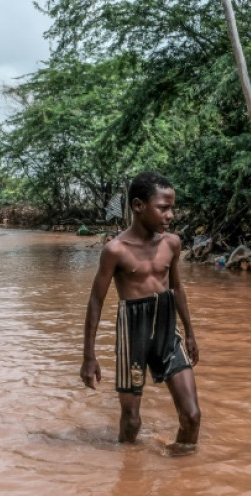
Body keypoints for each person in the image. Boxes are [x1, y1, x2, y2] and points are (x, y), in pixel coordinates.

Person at [81, 171, 201, 456]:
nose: (170, 215)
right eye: (163, 207)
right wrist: (89, 356)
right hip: (132, 335)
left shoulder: (172, 244)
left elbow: (177, 288)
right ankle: (130, 472)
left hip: (167, 330)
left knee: (192, 416)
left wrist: (190, 333)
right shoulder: (116, 250)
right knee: (132, 422)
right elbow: (96, 301)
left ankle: (181, 478)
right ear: (138, 206)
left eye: (172, 207)